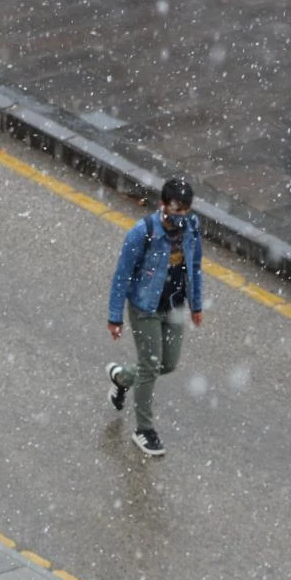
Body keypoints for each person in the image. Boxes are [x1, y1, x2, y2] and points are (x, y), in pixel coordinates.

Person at [106, 178, 204, 456]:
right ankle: (144, 430)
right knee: (150, 367)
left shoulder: (192, 229)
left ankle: (122, 379)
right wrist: (115, 317)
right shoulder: (143, 232)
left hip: (174, 306)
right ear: (163, 205)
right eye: (177, 209)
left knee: (168, 364)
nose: (182, 215)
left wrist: (196, 305)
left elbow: (194, 266)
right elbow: (122, 275)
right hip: (144, 308)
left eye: (186, 209)